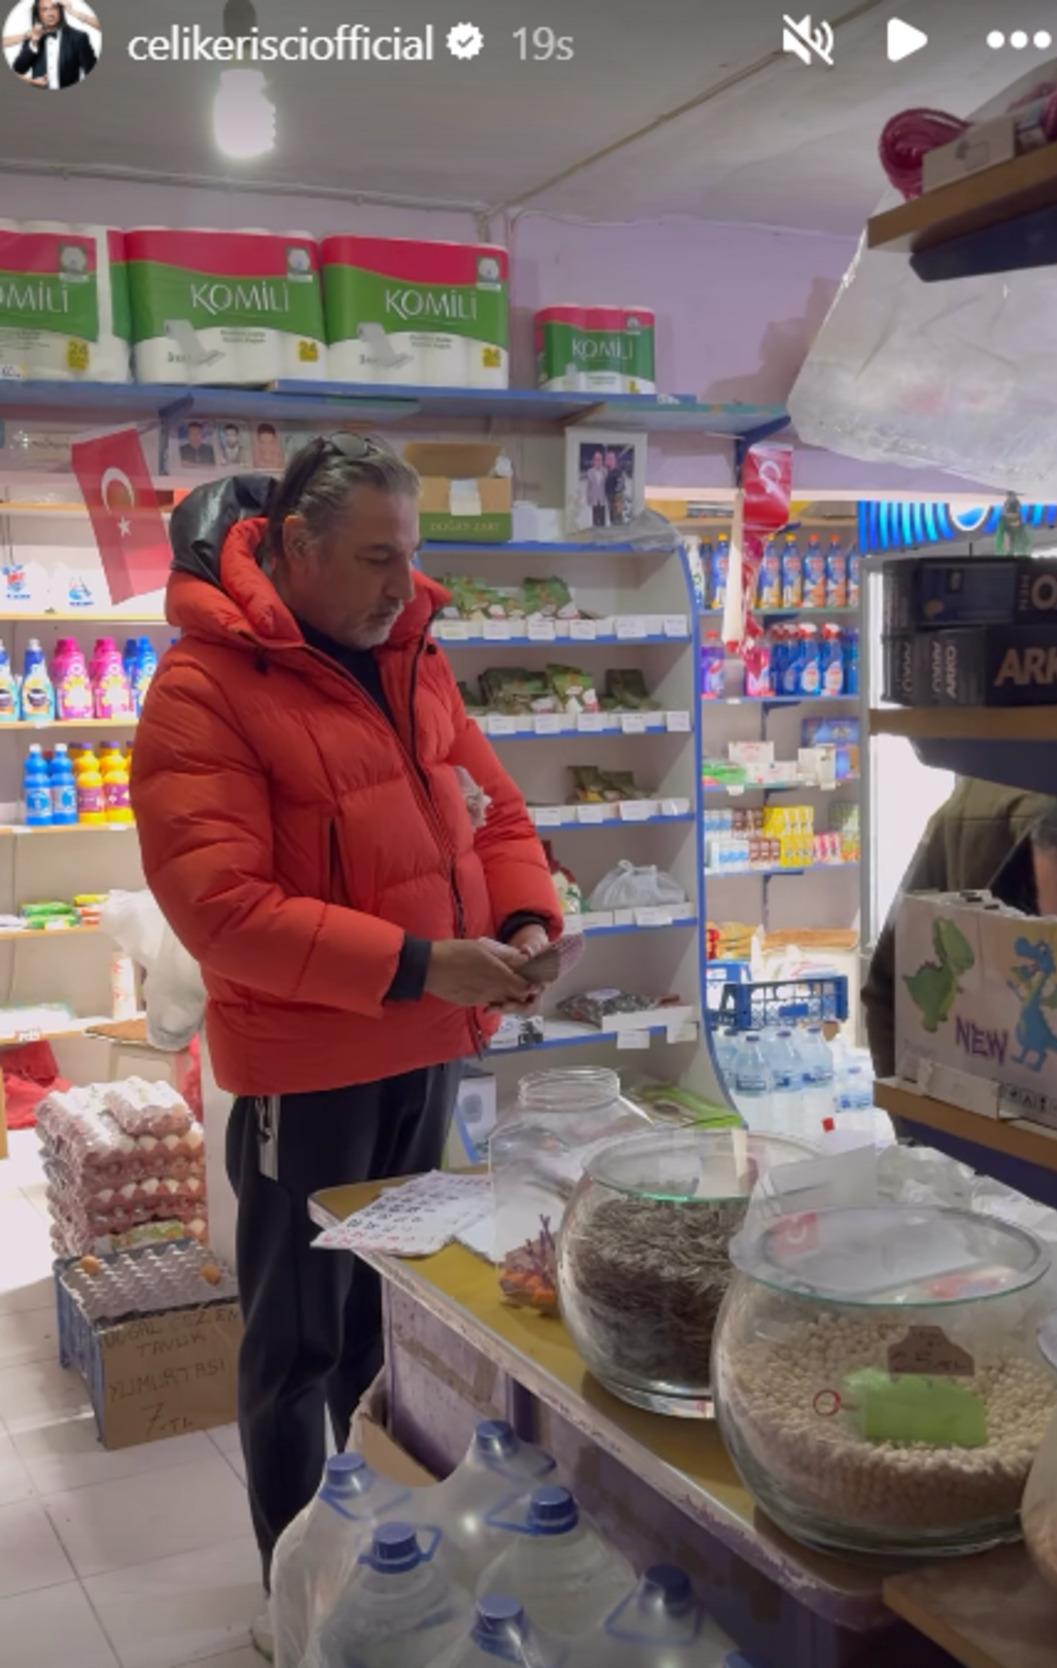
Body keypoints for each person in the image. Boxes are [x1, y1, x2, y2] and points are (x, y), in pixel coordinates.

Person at [130, 433, 561, 1648]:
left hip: (424, 1051)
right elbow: (224, 910)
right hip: (306, 1073)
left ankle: (391, 1563)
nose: (398, 582)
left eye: (410, 555)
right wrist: (423, 964)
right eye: (375, 558)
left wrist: (528, 915)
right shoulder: (204, 689)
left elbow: (495, 814)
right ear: (296, 549)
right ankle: (293, 1595)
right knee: (298, 1347)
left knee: (397, 1323)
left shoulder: (414, 656)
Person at [863, 777, 1057, 1078]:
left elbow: (885, 991)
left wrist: (916, 1117)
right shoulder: (1036, 809)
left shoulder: (972, 800)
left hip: (976, 1094)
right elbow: (889, 987)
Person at [8, 1, 96, 89]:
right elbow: (18, 70)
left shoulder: (79, 37)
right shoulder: (30, 38)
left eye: (54, 8)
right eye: (44, 9)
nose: (50, 13)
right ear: (38, 14)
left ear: (60, 11)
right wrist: (34, 43)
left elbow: (92, 72)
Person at [605, 446, 628, 526]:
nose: (609, 460)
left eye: (611, 458)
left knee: (618, 516)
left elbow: (621, 485)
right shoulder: (608, 472)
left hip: (617, 497)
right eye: (608, 458)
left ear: (615, 460)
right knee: (612, 517)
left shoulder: (618, 472)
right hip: (610, 497)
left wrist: (617, 497)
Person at [585, 447, 608, 528]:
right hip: (594, 500)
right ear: (594, 460)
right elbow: (588, 487)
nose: (598, 461)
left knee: (602, 523)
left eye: (600, 459)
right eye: (596, 459)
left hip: (603, 500)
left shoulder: (605, 471)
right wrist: (588, 500)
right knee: (595, 523)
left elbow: (607, 486)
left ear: (602, 461)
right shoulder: (589, 472)